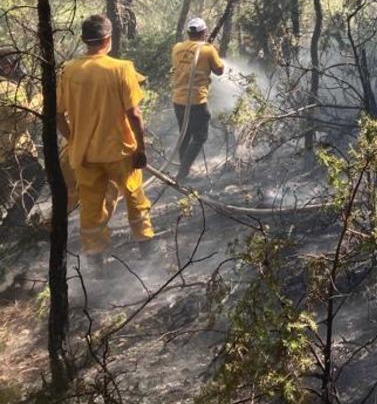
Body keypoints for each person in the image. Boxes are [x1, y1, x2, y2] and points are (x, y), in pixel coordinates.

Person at [55, 15, 154, 263]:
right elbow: (134, 114)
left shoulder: (68, 70)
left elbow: (57, 114)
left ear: (83, 39)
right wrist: (141, 149)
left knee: (91, 207)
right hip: (120, 152)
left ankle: (95, 263)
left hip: (85, 155)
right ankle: (148, 252)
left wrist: (74, 140)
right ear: (108, 39)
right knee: (134, 197)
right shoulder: (121, 68)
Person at [170, 17, 224, 180]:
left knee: (184, 135)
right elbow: (219, 70)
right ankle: (183, 171)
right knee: (200, 137)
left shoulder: (177, 47)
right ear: (204, 32)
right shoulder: (208, 49)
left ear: (188, 33)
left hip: (178, 99)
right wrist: (214, 51)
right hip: (196, 100)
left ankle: (183, 170)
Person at [0, 49, 42, 230]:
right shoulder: (6, 88)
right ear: (5, 65)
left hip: (8, 151)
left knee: (6, 195)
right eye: (13, 63)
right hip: (12, 152)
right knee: (38, 177)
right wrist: (40, 98)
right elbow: (26, 117)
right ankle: (11, 230)